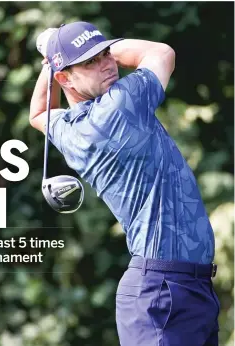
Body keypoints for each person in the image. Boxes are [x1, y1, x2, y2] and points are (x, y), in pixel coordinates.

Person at [29, 21, 220, 346]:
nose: (107, 63)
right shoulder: (119, 106)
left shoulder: (71, 130)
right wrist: (62, 52)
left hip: (182, 289)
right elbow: (161, 52)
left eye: (105, 54)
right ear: (65, 77)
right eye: (90, 61)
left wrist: (53, 59)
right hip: (163, 293)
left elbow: (37, 113)